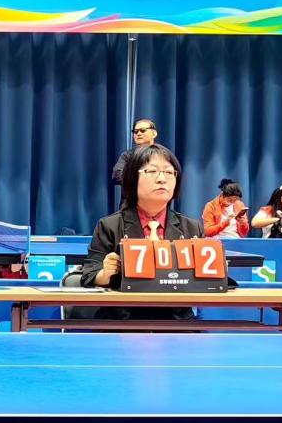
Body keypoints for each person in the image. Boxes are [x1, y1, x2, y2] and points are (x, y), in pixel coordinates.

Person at [81, 144, 204, 321]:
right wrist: (106, 273)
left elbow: (203, 285)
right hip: (122, 325)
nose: (162, 179)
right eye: (152, 171)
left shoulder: (191, 228)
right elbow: (89, 276)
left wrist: (213, 273)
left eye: (169, 172)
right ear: (132, 178)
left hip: (177, 326)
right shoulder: (109, 226)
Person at [111, 118, 159, 186]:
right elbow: (117, 175)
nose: (138, 134)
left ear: (154, 134)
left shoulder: (162, 154)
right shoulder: (127, 155)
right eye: (135, 132)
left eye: (143, 130)